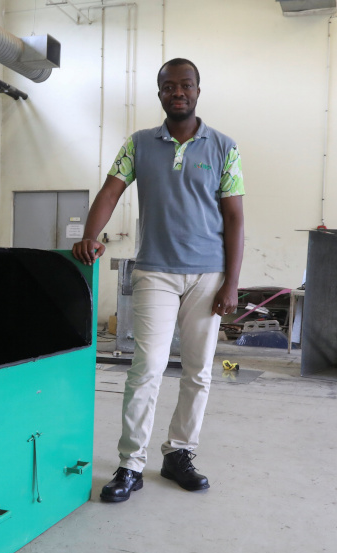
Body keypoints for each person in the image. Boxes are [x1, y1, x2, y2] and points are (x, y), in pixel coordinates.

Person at [72, 58, 245, 503]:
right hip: (155, 273)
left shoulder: (224, 148)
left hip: (208, 277)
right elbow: (111, 190)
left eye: (186, 85)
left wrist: (231, 283)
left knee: (199, 373)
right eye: (169, 86)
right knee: (145, 370)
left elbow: (235, 219)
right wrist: (90, 234)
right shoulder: (138, 145)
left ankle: (179, 454)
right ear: (160, 94)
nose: (178, 92)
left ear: (198, 91)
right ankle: (131, 463)